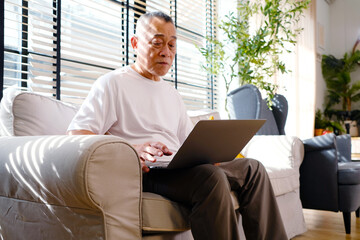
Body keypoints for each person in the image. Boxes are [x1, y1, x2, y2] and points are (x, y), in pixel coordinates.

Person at [67, 11, 288, 240]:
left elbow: (188, 141)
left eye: (172, 45)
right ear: (135, 43)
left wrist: (210, 153)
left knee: (253, 169)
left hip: (179, 167)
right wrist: (132, 149)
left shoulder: (171, 93)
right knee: (210, 177)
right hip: (148, 172)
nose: (166, 52)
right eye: (157, 43)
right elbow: (76, 134)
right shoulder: (112, 83)